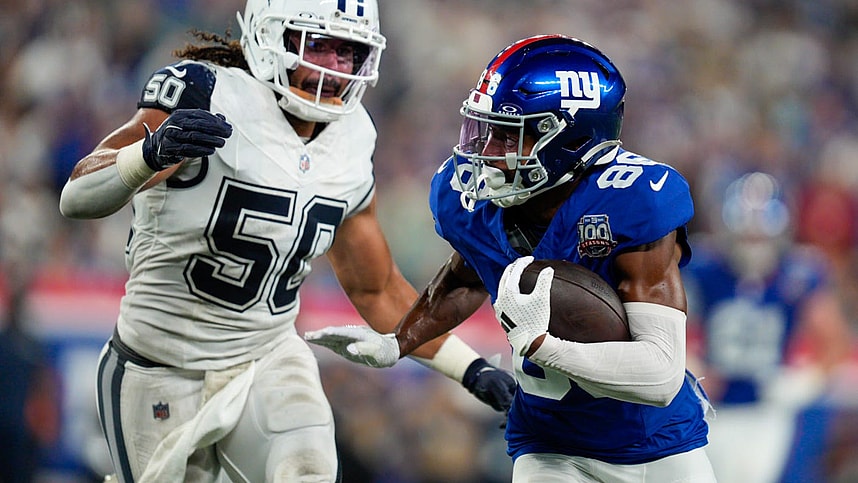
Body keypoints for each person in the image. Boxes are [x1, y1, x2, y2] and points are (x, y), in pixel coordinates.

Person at [58, 0, 514, 481]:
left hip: (266, 357)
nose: (334, 68)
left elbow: (376, 289)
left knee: (308, 469)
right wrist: (147, 154)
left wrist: (472, 368)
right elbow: (77, 196)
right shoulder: (205, 91)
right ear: (268, 36)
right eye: (318, 45)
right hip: (158, 364)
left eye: (349, 52)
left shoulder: (354, 136)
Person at [306, 34, 718, 482]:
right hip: (549, 445)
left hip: (657, 443)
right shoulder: (473, 200)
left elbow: (659, 377)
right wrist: (397, 343)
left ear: (571, 139)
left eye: (509, 136)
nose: (487, 152)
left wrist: (545, 348)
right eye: (486, 131)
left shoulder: (633, 200)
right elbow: (466, 278)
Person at [682, 171, 853, 483]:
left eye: (760, 237)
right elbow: (667, 325)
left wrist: (809, 380)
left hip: (767, 409)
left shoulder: (799, 271)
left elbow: (833, 338)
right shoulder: (703, 266)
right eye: (746, 236)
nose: (753, 245)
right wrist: (688, 365)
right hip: (713, 406)